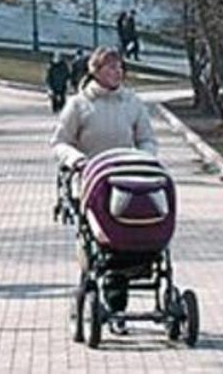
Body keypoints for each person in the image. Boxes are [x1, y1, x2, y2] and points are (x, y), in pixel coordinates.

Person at [51, 46, 157, 333]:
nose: (117, 72)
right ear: (95, 71)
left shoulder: (131, 102)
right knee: (102, 243)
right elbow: (60, 142)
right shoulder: (80, 105)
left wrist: (145, 158)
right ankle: (109, 300)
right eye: (110, 67)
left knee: (134, 234)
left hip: (127, 180)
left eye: (119, 67)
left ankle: (130, 287)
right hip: (91, 183)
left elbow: (146, 138)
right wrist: (76, 160)